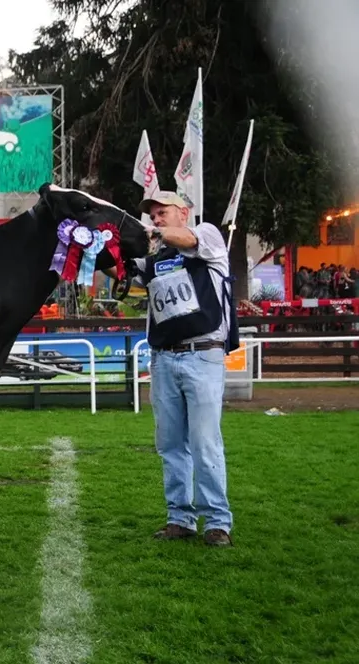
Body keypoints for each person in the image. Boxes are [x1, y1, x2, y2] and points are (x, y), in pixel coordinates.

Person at [130, 191, 240, 547]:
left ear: (184, 212)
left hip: (202, 354)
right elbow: (128, 272)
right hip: (163, 357)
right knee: (170, 443)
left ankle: (217, 522)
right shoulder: (155, 257)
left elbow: (186, 239)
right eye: (153, 215)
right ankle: (180, 518)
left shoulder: (206, 235)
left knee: (204, 441)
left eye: (163, 213)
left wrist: (153, 234)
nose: (157, 219)